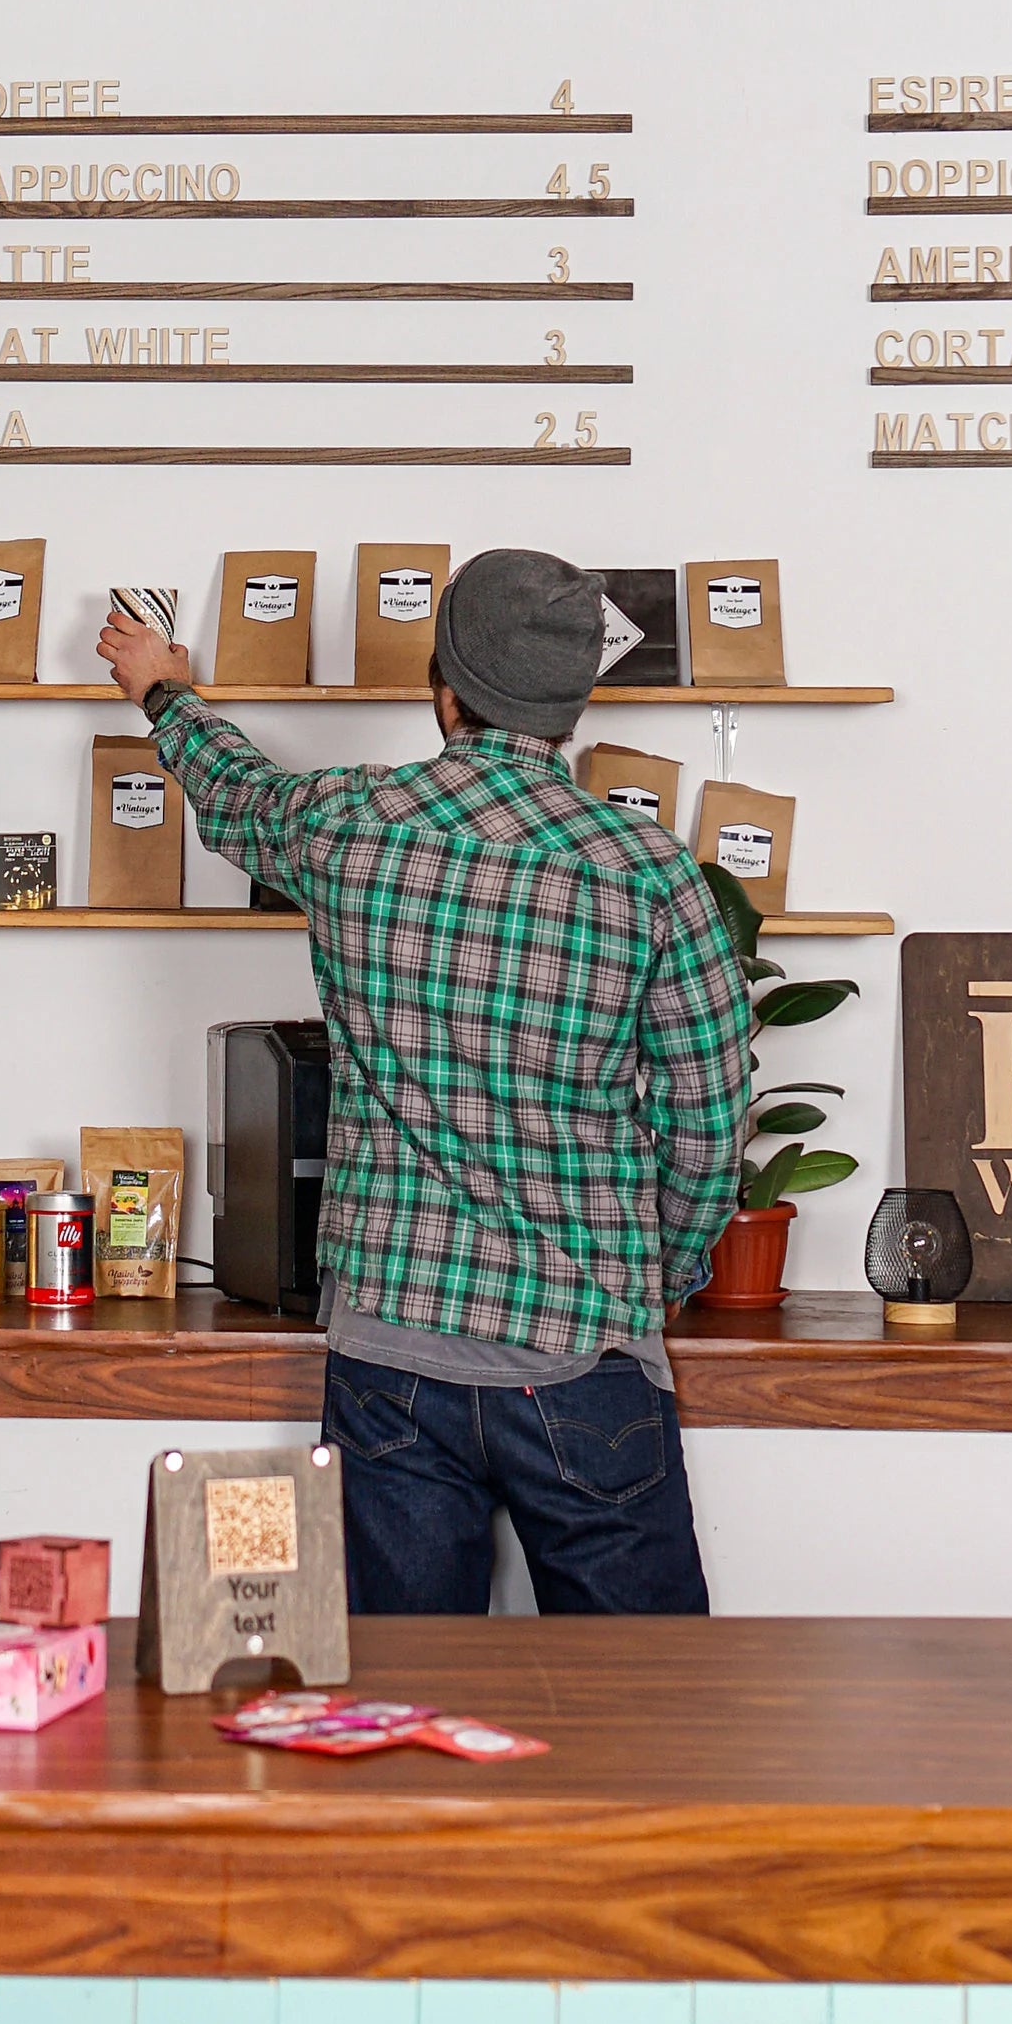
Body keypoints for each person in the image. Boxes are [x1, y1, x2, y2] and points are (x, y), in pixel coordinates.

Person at [97, 548, 751, 1614]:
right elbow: (708, 1132)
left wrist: (164, 689)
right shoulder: (649, 874)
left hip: (388, 1355)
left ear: (439, 685)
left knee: (392, 1712)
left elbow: (231, 796)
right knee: (647, 1714)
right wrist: (645, 1288)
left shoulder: (349, 826)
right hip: (585, 1351)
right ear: (572, 705)